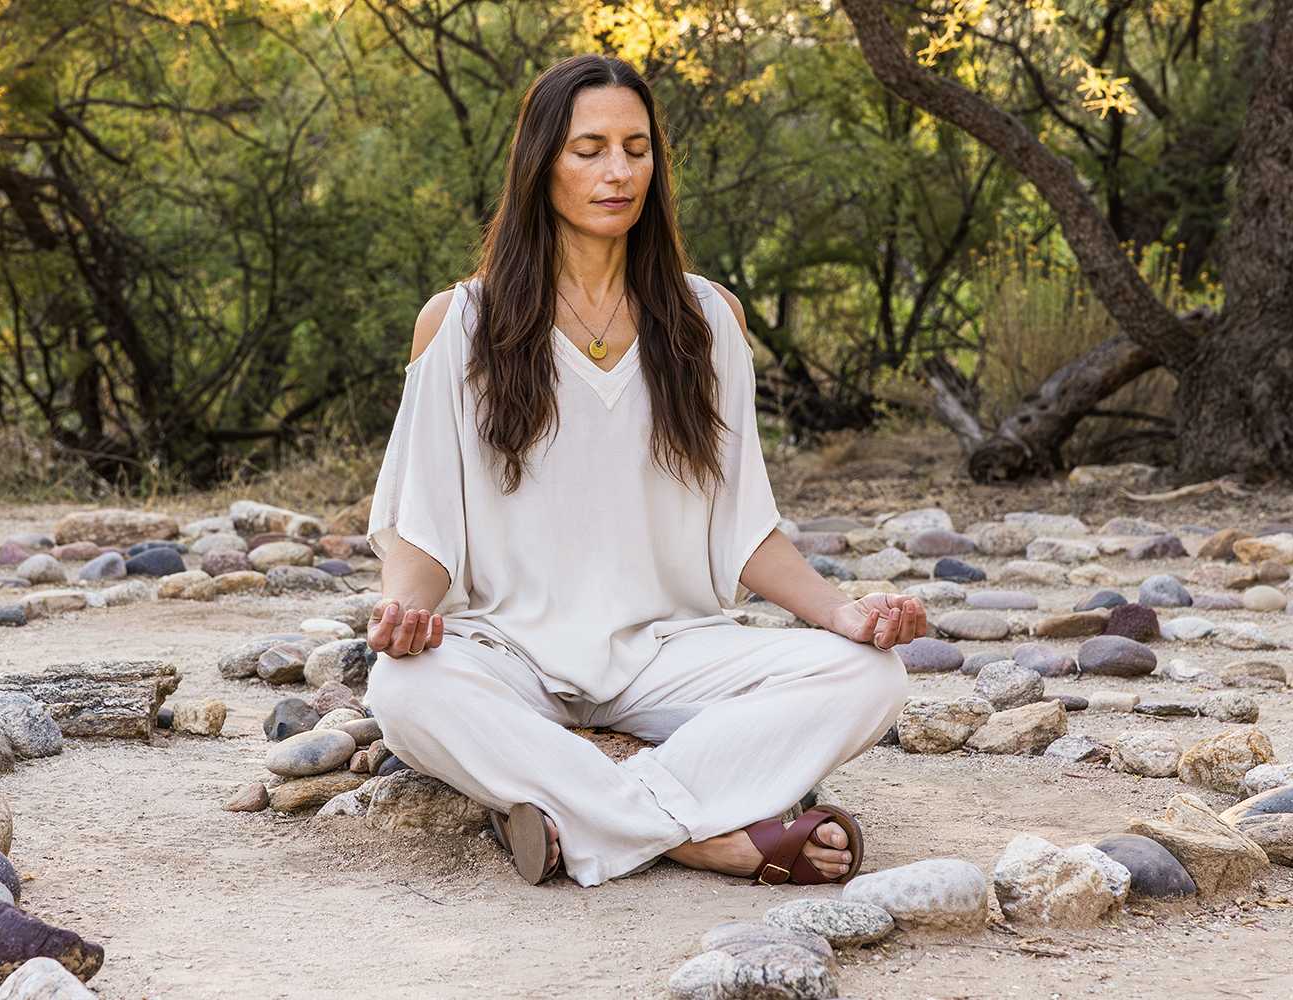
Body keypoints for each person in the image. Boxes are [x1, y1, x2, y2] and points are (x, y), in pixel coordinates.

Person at [363, 53, 925, 889]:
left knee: (870, 676)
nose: (617, 172)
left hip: (671, 649)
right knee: (406, 692)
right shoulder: (460, 323)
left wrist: (845, 614)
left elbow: (742, 531)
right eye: (589, 149)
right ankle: (699, 834)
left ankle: (601, 812)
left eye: (636, 147)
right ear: (540, 162)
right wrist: (402, 614)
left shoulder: (708, 319)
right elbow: (425, 525)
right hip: (510, 648)